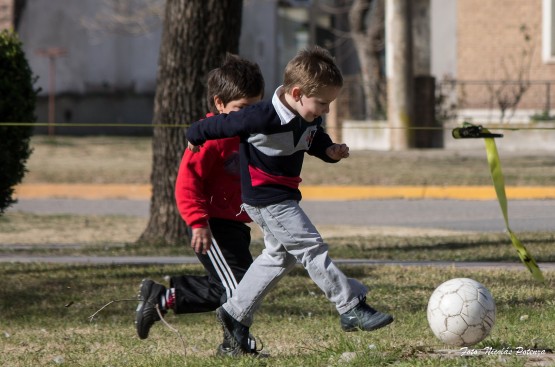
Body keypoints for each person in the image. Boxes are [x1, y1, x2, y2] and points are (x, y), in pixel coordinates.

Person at [185, 46, 394, 356]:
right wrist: (197, 132)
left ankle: (234, 316)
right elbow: (223, 124)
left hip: (282, 196)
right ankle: (350, 306)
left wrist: (329, 151)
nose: (325, 110)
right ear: (297, 93)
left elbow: (313, 138)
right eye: (322, 103)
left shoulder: (306, 115)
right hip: (266, 198)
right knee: (311, 246)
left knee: (279, 257)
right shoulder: (261, 116)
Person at [135, 54, 265, 353]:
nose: (248, 116)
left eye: (254, 108)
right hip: (212, 225)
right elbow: (186, 183)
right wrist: (198, 222)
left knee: (239, 285)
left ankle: (162, 298)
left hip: (235, 224)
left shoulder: (248, 133)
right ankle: (235, 346)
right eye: (240, 110)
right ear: (219, 104)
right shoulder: (209, 138)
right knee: (237, 289)